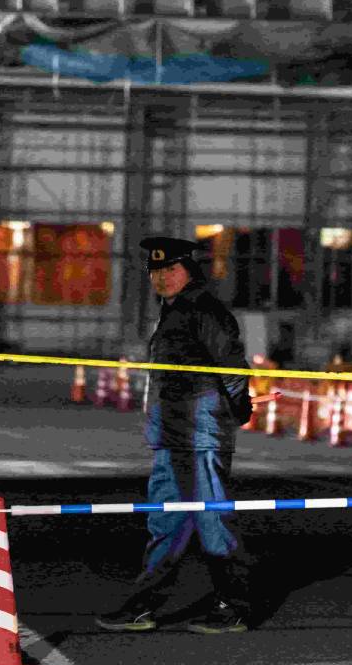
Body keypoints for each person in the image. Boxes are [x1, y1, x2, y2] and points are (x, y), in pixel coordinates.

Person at [96, 236, 254, 634]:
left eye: (170, 269)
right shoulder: (171, 312)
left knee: (213, 521)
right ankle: (143, 604)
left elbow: (233, 369)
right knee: (164, 523)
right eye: (155, 271)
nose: (162, 277)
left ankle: (233, 605)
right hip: (172, 436)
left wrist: (240, 408)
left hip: (200, 436)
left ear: (189, 270)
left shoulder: (204, 310)